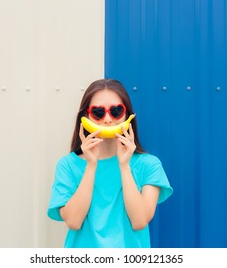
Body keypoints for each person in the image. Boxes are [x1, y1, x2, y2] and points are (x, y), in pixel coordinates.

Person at [47, 78, 173, 248]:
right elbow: (74, 221)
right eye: (98, 112)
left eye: (116, 111)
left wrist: (124, 166)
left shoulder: (149, 165)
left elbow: (139, 221)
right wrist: (91, 165)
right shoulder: (68, 166)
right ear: (85, 117)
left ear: (127, 115)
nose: (107, 119)